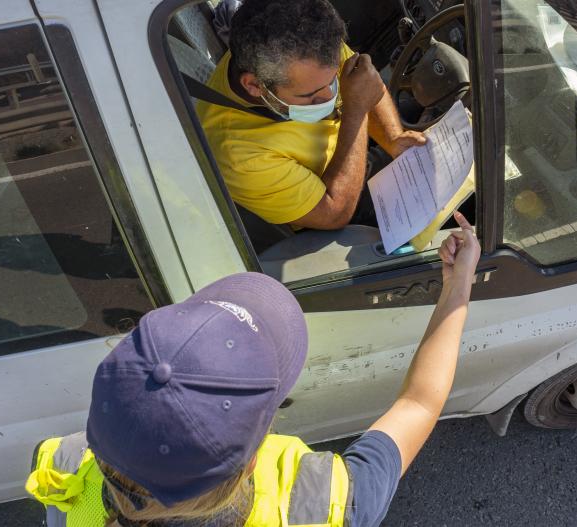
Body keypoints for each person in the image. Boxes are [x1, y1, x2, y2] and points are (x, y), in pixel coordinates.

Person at [26, 212, 480, 527]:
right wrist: (458, 284)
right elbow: (420, 402)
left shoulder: (65, 470)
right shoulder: (324, 504)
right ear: (249, 464)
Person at [196, 0, 426, 230]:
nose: (331, 97)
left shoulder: (308, 47)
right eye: (312, 95)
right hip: (332, 198)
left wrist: (394, 139)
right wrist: (356, 110)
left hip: (349, 137)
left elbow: (362, 83)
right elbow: (333, 214)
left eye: (333, 80)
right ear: (255, 85)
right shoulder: (238, 155)